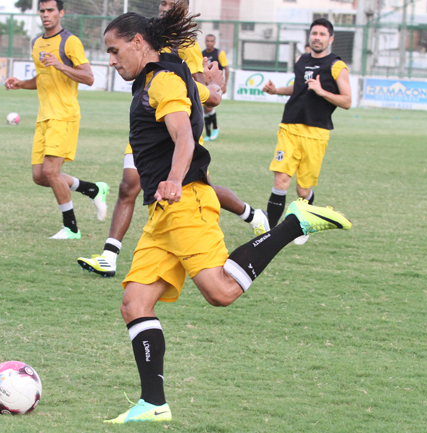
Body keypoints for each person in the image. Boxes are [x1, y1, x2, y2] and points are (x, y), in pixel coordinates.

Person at [101, 3, 352, 424]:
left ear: (138, 42)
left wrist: (175, 178)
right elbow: (202, 96)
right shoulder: (165, 76)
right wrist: (212, 88)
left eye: (113, 50)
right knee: (135, 301)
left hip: (185, 204)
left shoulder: (161, 80)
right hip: (162, 214)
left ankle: (294, 223)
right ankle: (153, 403)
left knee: (220, 292)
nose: (110, 60)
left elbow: (182, 134)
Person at [76, 0, 267, 278]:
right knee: (130, 186)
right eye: (162, 1)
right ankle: (110, 254)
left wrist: (213, 85)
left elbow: (204, 97)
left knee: (202, 191)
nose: (165, 6)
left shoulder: (177, 59)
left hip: (175, 138)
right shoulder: (147, 50)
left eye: (171, 2)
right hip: (148, 132)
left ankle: (254, 215)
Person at [4, 0, 108, 240]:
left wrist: (60, 65)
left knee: (52, 171)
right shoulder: (36, 43)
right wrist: (21, 83)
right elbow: (42, 79)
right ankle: (93, 189)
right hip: (44, 117)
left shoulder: (70, 41)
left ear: (61, 12)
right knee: (40, 177)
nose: (45, 15)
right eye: (42, 11)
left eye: (50, 10)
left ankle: (71, 228)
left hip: (64, 115)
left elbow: (89, 78)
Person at [262, 18, 351, 245]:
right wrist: (277, 91)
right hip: (289, 126)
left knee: (303, 190)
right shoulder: (301, 60)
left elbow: (347, 101)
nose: (317, 38)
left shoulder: (337, 66)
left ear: (330, 39)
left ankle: (305, 224)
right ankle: (270, 235)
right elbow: (299, 87)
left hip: (316, 132)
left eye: (322, 34)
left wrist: (322, 92)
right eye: (314, 33)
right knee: (281, 179)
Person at [201, 34, 229, 141]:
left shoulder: (219, 53)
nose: (209, 43)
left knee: (209, 107)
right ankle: (208, 134)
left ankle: (215, 128)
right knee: (205, 107)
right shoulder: (202, 54)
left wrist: (225, 84)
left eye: (211, 41)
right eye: (207, 41)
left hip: (216, 85)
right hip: (206, 84)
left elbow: (227, 69)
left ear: (214, 42)